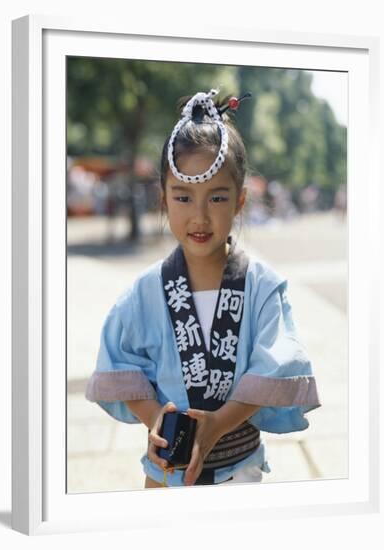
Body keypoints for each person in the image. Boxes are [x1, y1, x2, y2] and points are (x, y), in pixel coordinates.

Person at [85, 89, 321, 488]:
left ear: (240, 201)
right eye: (182, 197)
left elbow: (276, 363)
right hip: (167, 468)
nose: (199, 215)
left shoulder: (262, 287)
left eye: (217, 197)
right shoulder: (146, 291)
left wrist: (217, 425)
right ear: (163, 199)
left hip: (239, 465)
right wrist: (154, 416)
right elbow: (121, 364)